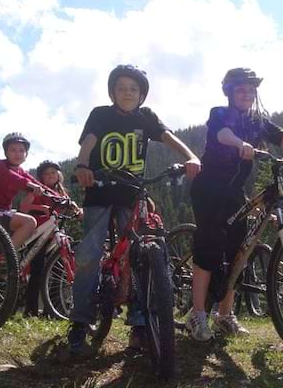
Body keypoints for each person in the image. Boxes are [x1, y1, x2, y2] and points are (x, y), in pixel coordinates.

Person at [69, 64, 201, 355]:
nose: (127, 93)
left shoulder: (147, 117)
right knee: (90, 254)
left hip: (132, 193)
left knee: (141, 256)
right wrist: (82, 166)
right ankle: (80, 322)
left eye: (133, 89)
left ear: (142, 94)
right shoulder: (100, 114)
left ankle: (141, 322)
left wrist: (191, 156)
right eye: (121, 88)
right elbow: (89, 142)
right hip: (100, 191)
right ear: (112, 92)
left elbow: (168, 137)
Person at [186, 68, 283, 342]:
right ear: (229, 92)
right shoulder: (219, 114)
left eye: (251, 90)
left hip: (234, 192)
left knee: (240, 249)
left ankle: (224, 317)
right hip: (209, 187)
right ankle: (197, 315)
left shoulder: (259, 121)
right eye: (241, 89)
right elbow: (222, 134)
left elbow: (282, 139)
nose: (247, 94)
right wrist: (241, 144)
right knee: (209, 245)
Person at [19, 160, 81, 317]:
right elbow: (23, 207)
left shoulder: (61, 193)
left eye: (53, 172)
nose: (50, 176)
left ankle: (53, 310)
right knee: (37, 270)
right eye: (46, 174)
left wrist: (78, 211)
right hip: (38, 232)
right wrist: (41, 208)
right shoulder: (38, 191)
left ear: (59, 175)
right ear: (41, 177)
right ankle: (31, 311)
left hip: (56, 234)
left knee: (58, 271)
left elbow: (71, 206)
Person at [0, 132, 44, 250]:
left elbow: (40, 186)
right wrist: (28, 184)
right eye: (13, 150)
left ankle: (0, 261)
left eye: (21, 150)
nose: (17, 153)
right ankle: (7, 260)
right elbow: (11, 178)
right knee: (29, 222)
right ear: (6, 153)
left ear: (26, 154)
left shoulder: (22, 172)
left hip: (4, 211)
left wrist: (62, 198)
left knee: (23, 238)